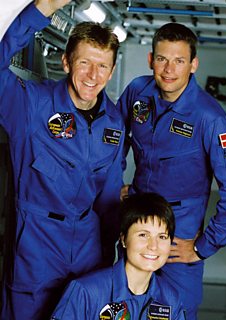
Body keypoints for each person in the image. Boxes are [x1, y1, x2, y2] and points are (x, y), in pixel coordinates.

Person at [117, 22, 226, 318]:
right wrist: (113, 185)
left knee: (175, 311)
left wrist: (204, 246)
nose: (168, 69)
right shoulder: (137, 93)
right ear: (151, 59)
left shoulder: (211, 119)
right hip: (136, 222)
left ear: (193, 65)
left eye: (179, 61)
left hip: (179, 234)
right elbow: (113, 140)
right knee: (122, 307)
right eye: (162, 59)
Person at [0, 1, 124, 319]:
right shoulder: (30, 104)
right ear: (66, 62)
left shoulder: (114, 124)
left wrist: (110, 262)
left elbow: (109, 200)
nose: (92, 76)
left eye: (102, 66)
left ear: (112, 71)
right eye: (84, 63)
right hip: (35, 246)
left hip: (88, 249)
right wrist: (41, 10)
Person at [51, 193, 186, 319]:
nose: (153, 246)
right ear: (123, 239)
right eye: (143, 235)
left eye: (162, 237)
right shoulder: (86, 292)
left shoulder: (170, 299)